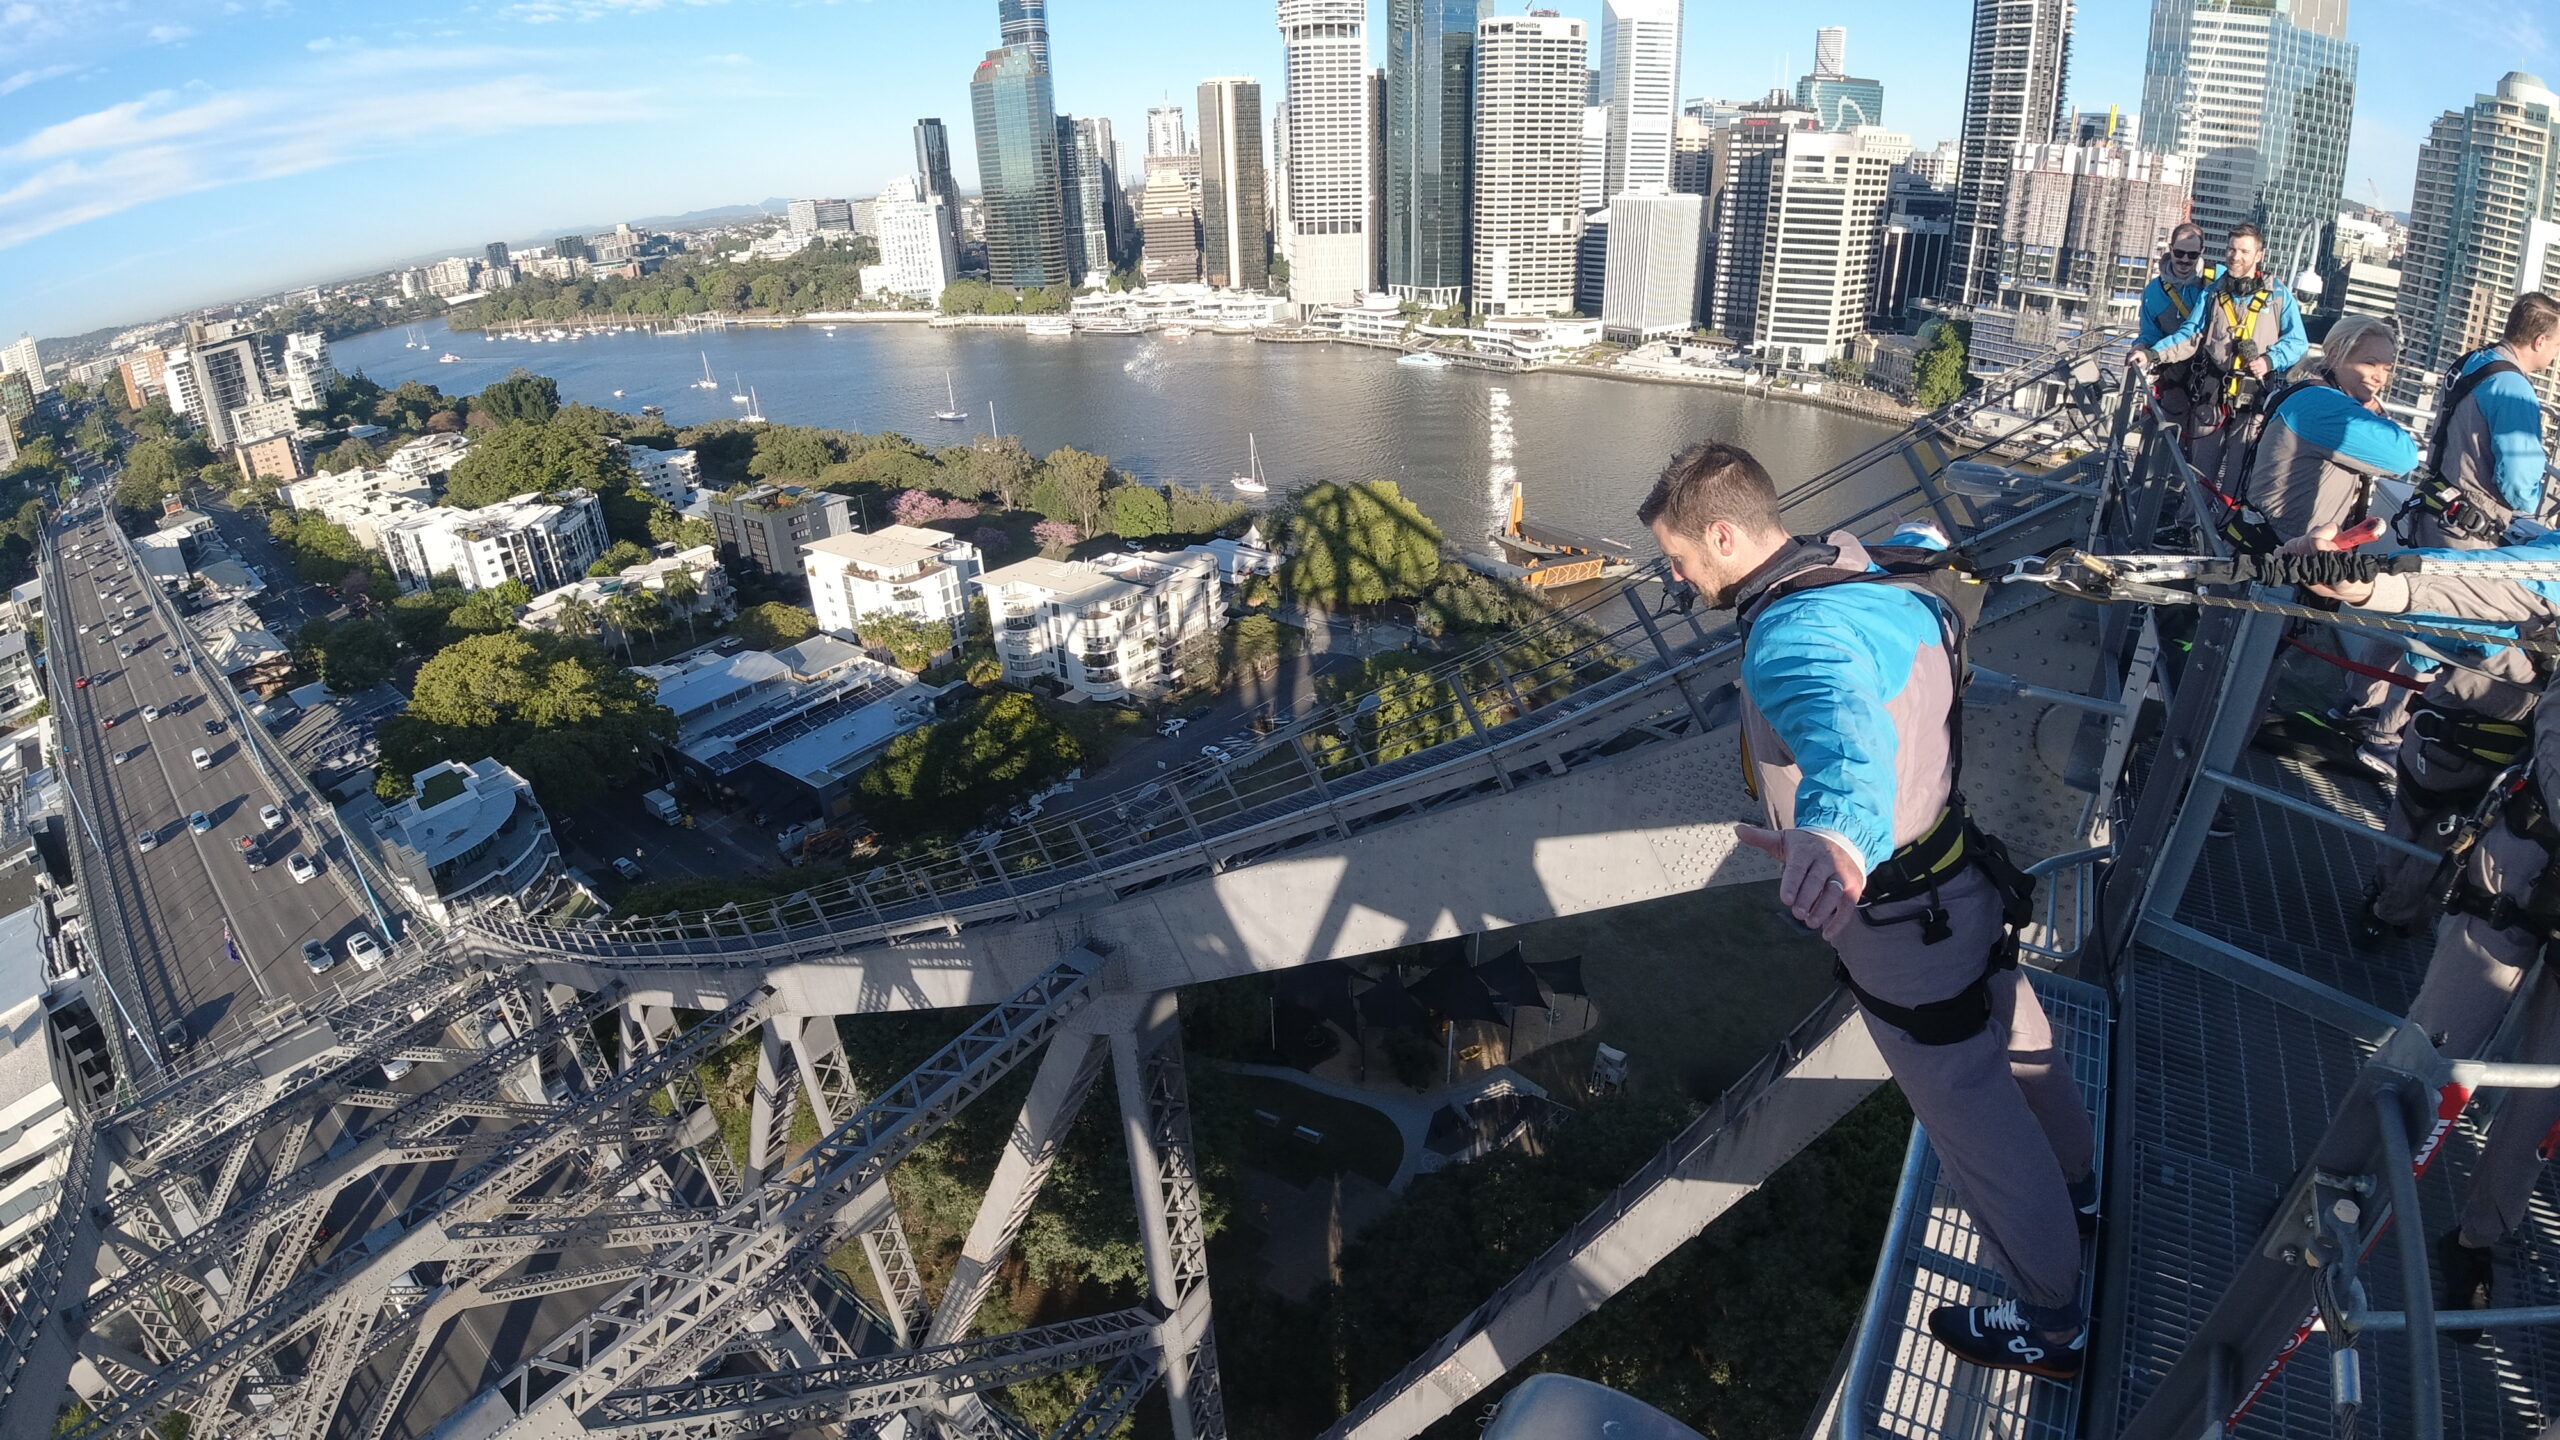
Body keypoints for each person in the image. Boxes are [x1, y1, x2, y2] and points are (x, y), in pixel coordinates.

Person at [1639, 443, 2097, 1380]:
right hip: (1964, 878)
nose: (1677, 580)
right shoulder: (1877, 579)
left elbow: (1842, 731)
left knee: (1974, 1125)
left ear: (1724, 535)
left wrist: (1838, 840)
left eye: (1681, 559)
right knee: (2021, 1038)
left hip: (1899, 923)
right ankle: (2081, 1193)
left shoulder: (1793, 638)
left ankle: (2053, 1322)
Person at [2301, 526, 2560, 1329]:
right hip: (2529, 865)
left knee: (2541, 1097)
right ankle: (2334, 1189)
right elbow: (2489, 582)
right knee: (2430, 1046)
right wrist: (2367, 584)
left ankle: (2480, 1236)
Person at [2129, 224, 2311, 490]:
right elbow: (2190, 335)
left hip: (2252, 401)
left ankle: (2221, 527)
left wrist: (2269, 360)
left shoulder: (2278, 296)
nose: (2235, 257)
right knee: (2199, 474)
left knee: (2238, 476)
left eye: (2244, 251)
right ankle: (2189, 527)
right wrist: (2152, 354)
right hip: (2211, 396)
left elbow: (2297, 343)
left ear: (2258, 255)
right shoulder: (2213, 292)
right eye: (2231, 249)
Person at [2404, 292, 2560, 548]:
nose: (2556, 354)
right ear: (2539, 341)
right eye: (2557, 345)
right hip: (2468, 529)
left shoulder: (2474, 362)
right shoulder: (2513, 389)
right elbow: (2518, 479)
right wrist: (2534, 504)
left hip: (2436, 504)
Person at [2135, 223, 2220, 449]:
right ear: (2170, 248)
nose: (2184, 260)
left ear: (2202, 252)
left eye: (2192, 255)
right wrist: (2141, 347)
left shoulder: (2219, 281)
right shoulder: (2155, 291)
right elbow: (2149, 332)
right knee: (2169, 441)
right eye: (2179, 253)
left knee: (2205, 445)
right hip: (2174, 374)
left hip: (2213, 375)